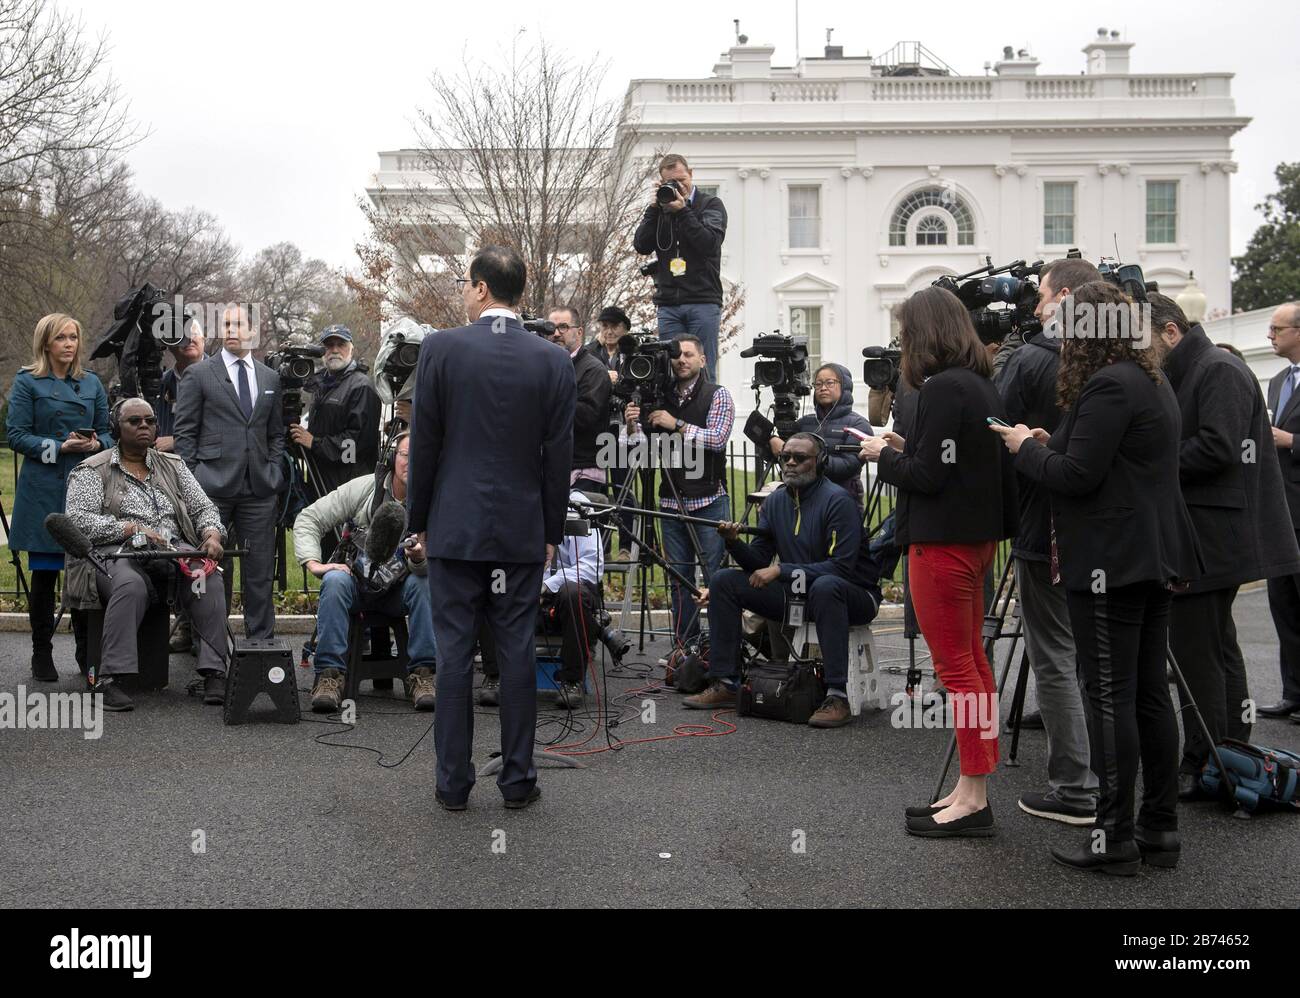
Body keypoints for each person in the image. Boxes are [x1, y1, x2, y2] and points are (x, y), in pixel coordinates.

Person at [992, 280, 1201, 875]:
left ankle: (1114, 838)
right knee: (1147, 694)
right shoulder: (1150, 379)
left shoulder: (1108, 384)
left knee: (1108, 695)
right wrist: (1044, 439)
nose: (1056, 329)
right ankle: (1158, 828)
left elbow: (1077, 475)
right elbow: (1105, 459)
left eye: (1066, 321)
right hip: (1150, 556)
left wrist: (1022, 450)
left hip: (1113, 560)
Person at [407, 245, 575, 812]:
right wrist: (552, 529)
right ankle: (518, 781)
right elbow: (560, 456)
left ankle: (452, 784)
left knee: (454, 655)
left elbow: (424, 444)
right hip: (522, 529)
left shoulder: (441, 348)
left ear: (480, 289)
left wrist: (420, 522)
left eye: (465, 284)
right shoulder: (553, 360)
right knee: (518, 651)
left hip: (455, 528)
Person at [859, 286, 1017, 838]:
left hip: (941, 545)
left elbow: (927, 477)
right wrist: (907, 448)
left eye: (906, 332)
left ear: (923, 334)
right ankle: (972, 787)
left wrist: (885, 454)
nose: (902, 343)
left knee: (957, 670)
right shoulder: (979, 384)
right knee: (973, 663)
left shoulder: (943, 388)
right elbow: (954, 463)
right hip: (975, 543)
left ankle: (974, 798)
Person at [1151, 293, 1300, 792]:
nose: (1144, 355)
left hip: (1213, 537)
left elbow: (1218, 447)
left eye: (1147, 343)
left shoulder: (1216, 370)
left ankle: (1204, 761)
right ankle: (1227, 754)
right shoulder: (1201, 367)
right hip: (1210, 533)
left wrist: (1148, 458)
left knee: (1198, 653)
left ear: (1171, 331)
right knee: (1214, 648)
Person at [994, 257, 1103, 825]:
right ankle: (1102, 777)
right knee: (1095, 656)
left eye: (1040, 295)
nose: (1034, 306)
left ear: (1062, 297)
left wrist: (1028, 447)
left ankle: (1076, 788)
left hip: (1047, 524)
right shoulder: (1120, 361)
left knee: (1055, 656)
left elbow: (995, 425)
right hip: (1107, 534)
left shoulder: (1036, 357)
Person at [686, 432, 883, 727]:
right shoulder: (776, 501)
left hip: (853, 594)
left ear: (821, 463)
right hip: (800, 593)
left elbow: (840, 568)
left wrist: (782, 570)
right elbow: (759, 561)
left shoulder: (839, 502)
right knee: (725, 581)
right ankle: (726, 681)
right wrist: (733, 543)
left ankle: (837, 695)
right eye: (785, 457)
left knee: (826, 586)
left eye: (800, 458)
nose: (790, 463)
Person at [63, 398, 228, 711]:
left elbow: (204, 507)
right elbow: (77, 521)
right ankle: (109, 678)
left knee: (205, 579)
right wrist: (128, 529)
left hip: (169, 548)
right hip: (115, 551)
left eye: (149, 421)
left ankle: (214, 671)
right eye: (134, 421)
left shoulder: (174, 465)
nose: (144, 427)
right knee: (130, 585)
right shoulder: (92, 469)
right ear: (116, 428)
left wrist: (211, 533)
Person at [295, 432, 438, 713]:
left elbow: (442, 565)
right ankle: (329, 677)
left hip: (401, 589)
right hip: (356, 584)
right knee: (334, 580)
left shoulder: (436, 502)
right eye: (406, 455)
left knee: (424, 583)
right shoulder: (364, 489)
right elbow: (309, 518)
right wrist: (313, 562)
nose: (412, 463)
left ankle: (423, 675)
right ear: (392, 458)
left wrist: (420, 560)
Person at [5, 313, 111, 682]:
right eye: (62, 338)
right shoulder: (27, 381)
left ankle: (85, 652)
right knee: (46, 572)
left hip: (84, 484)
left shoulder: (91, 383)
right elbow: (16, 434)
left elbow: (110, 435)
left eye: (74, 338)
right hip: (44, 486)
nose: (70, 344)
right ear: (46, 344)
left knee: (84, 568)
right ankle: (41, 652)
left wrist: (95, 444)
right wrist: (56, 446)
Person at [173, 303, 285, 640]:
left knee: (260, 571)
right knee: (209, 570)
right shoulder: (199, 374)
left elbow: (276, 433)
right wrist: (194, 480)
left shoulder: (270, 377)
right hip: (212, 490)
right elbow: (184, 434)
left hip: (259, 490)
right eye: (226, 324)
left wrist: (274, 469)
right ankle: (210, 649)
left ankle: (261, 646)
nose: (231, 330)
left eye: (239, 324)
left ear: (253, 330)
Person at [623, 334, 734, 651]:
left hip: (709, 500)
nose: (681, 360)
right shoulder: (660, 395)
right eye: (677, 355)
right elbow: (640, 451)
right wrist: (632, 425)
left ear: (703, 359)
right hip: (670, 503)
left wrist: (677, 424)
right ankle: (686, 650)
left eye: (689, 354)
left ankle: (721, 650)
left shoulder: (718, 395)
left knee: (716, 580)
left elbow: (717, 439)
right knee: (679, 581)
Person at [479, 488, 605, 711]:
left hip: (562, 597)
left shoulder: (576, 505)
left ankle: (572, 681)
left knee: (572, 592)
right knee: (493, 584)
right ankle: (494, 676)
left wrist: (546, 586)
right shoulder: (512, 503)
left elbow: (592, 567)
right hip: (524, 593)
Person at [633, 153, 727, 380]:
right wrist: (654, 208)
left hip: (703, 301)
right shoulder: (661, 210)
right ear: (662, 182)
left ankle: (703, 415)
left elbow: (709, 243)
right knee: (671, 369)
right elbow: (641, 245)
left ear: (691, 174)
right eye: (671, 182)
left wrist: (684, 211)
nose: (679, 186)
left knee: (702, 368)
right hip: (669, 304)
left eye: (682, 180)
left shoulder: (710, 205)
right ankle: (673, 416)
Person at [154, 318, 207, 654]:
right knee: (173, 551)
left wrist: (177, 440)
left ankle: (201, 629)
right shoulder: (163, 382)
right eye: (182, 336)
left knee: (204, 552)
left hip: (204, 474)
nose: (189, 340)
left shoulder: (218, 374)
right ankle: (183, 622)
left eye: (196, 334)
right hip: (166, 476)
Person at [290, 324, 381, 502]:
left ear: (351, 349)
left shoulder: (361, 386)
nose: (335, 350)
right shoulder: (322, 385)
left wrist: (314, 443)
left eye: (341, 344)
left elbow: (357, 446)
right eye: (329, 345)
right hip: (323, 479)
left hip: (350, 484)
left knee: (343, 531)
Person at [1261, 302, 1300, 721]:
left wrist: (1292, 441)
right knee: (1284, 606)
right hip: (1281, 513)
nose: (1270, 335)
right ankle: (1293, 691)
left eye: (1277, 328)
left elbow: (1288, 439)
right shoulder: (1276, 381)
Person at [766, 363, 874, 509]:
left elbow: (848, 466)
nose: (823, 388)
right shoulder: (804, 424)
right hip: (804, 500)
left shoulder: (858, 425)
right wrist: (771, 439)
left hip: (842, 501)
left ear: (845, 386)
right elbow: (781, 460)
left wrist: (809, 460)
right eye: (818, 384)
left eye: (830, 383)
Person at [545, 306, 611, 495]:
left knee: (577, 524)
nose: (556, 333)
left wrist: (546, 402)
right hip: (550, 465)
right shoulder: (545, 366)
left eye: (563, 327)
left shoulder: (594, 370)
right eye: (551, 328)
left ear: (579, 332)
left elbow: (585, 417)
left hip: (583, 470)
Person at [585, 305, 634, 556]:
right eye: (604, 326)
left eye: (615, 325)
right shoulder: (590, 352)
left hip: (626, 428)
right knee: (598, 489)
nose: (609, 331)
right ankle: (601, 546)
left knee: (624, 488)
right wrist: (605, 377)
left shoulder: (633, 352)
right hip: (598, 428)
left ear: (625, 328)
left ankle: (625, 545)